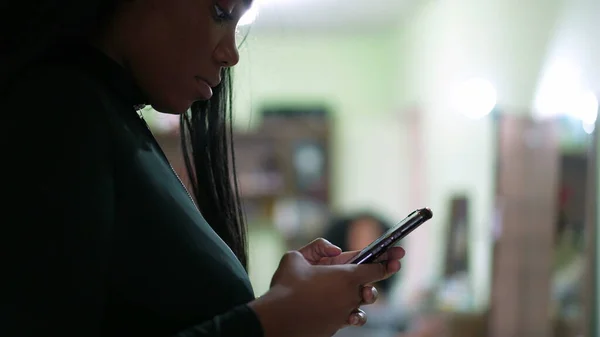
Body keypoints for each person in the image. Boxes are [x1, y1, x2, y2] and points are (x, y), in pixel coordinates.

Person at [0, 1, 407, 337]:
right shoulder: (57, 108)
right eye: (220, 11)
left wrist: (281, 304)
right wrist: (276, 319)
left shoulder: (111, 118)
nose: (231, 53)